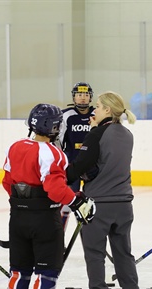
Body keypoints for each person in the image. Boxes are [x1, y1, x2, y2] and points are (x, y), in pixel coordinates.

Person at [2, 103, 95, 289]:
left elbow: (7, 181)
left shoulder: (15, 146)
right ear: (49, 126)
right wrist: (76, 201)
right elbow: (54, 189)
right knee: (47, 269)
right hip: (44, 219)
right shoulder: (53, 153)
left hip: (18, 218)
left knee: (19, 268)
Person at [66, 91, 140, 289]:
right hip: (124, 204)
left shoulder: (97, 134)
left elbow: (80, 166)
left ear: (107, 110)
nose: (94, 110)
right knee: (123, 252)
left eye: (97, 107)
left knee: (95, 254)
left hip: (98, 205)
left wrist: (58, 176)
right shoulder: (127, 134)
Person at [58, 82, 95, 231]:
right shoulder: (66, 115)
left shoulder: (96, 114)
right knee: (66, 203)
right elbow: (58, 141)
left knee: (90, 205)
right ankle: (58, 238)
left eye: (86, 95)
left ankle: (90, 239)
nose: (83, 98)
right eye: (79, 95)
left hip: (92, 168)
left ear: (90, 97)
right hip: (71, 167)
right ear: (74, 97)